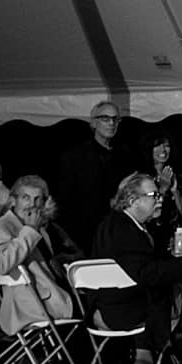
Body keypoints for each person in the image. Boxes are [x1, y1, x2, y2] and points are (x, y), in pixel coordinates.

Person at [90, 172, 182, 364]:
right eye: (153, 195)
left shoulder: (124, 225)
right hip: (122, 312)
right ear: (132, 200)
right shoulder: (123, 230)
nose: (160, 199)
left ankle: (146, 354)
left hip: (116, 304)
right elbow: (149, 274)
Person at [0, 174, 76, 335]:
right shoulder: (1, 228)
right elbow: (2, 264)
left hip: (52, 295)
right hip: (33, 305)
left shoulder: (40, 227)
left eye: (38, 199)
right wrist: (30, 231)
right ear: (13, 200)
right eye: (26, 198)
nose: (32, 205)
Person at [57, 99, 142, 255]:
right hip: (86, 234)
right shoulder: (75, 157)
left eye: (115, 119)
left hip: (120, 233)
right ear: (93, 123)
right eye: (105, 119)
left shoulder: (126, 155)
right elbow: (66, 200)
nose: (111, 123)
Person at [146, 135, 182, 247]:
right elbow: (146, 212)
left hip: (175, 237)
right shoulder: (143, 178)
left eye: (166, 146)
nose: (163, 150)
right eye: (157, 146)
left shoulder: (177, 175)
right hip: (152, 236)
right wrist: (163, 189)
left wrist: (175, 191)